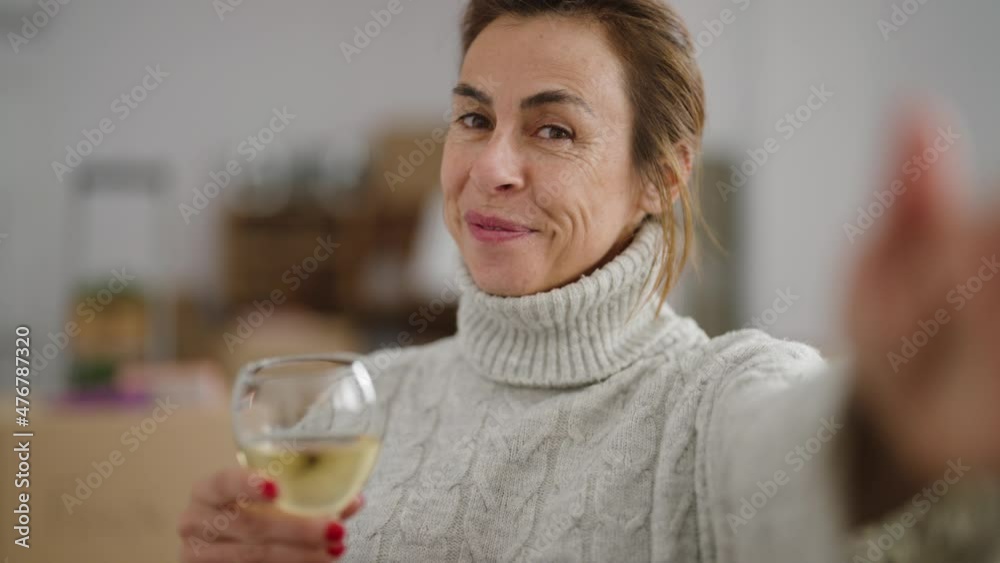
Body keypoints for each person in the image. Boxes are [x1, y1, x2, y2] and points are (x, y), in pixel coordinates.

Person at [177, 1, 1000, 561]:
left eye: (555, 130)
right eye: (474, 119)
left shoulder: (713, 402)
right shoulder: (364, 401)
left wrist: (891, 431)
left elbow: (805, 467)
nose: (491, 167)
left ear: (663, 175)